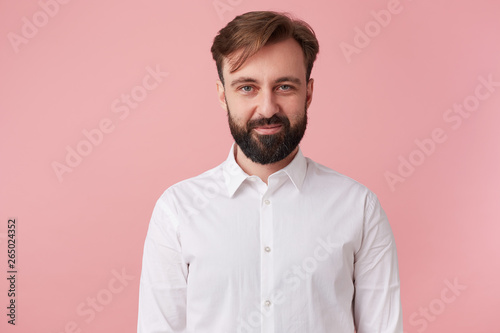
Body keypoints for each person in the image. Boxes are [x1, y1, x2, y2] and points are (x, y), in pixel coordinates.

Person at [137, 10, 403, 333]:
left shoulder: (360, 209)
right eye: (247, 87)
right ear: (223, 96)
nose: (267, 108)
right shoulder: (176, 212)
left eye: (285, 87)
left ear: (309, 92)